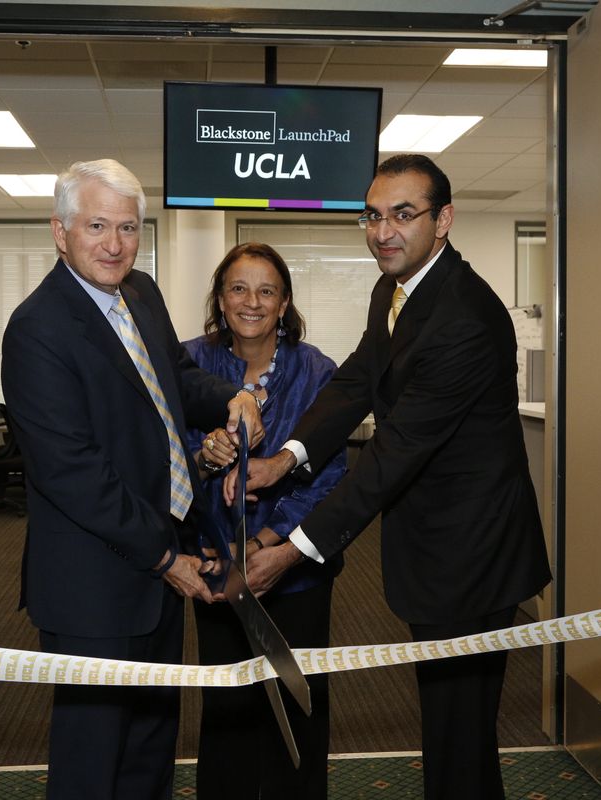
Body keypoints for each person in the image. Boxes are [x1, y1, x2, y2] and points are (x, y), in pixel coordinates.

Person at [228, 154, 551, 800]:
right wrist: (283, 458)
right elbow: (356, 381)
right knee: (452, 737)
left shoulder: (463, 318)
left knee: (459, 740)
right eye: (373, 216)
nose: (384, 231)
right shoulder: (396, 289)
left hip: (472, 561)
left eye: (403, 214)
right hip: (435, 551)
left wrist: (293, 551)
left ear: (444, 220)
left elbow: (392, 456)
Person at [0, 159, 263, 800]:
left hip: (154, 572)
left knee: (150, 750)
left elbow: (173, 377)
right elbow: (73, 472)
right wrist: (166, 555)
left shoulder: (139, 292)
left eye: (128, 227)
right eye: (96, 225)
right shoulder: (37, 329)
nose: (114, 244)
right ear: (60, 232)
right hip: (95, 583)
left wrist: (233, 394)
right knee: (93, 766)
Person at [184, 242, 346, 800]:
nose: (251, 302)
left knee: (298, 708)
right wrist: (206, 458)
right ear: (219, 298)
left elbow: (332, 475)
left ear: (285, 303)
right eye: (238, 288)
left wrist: (270, 540)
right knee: (227, 709)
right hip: (216, 569)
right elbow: (163, 469)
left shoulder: (317, 370)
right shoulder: (189, 365)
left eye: (267, 290)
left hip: (294, 567)